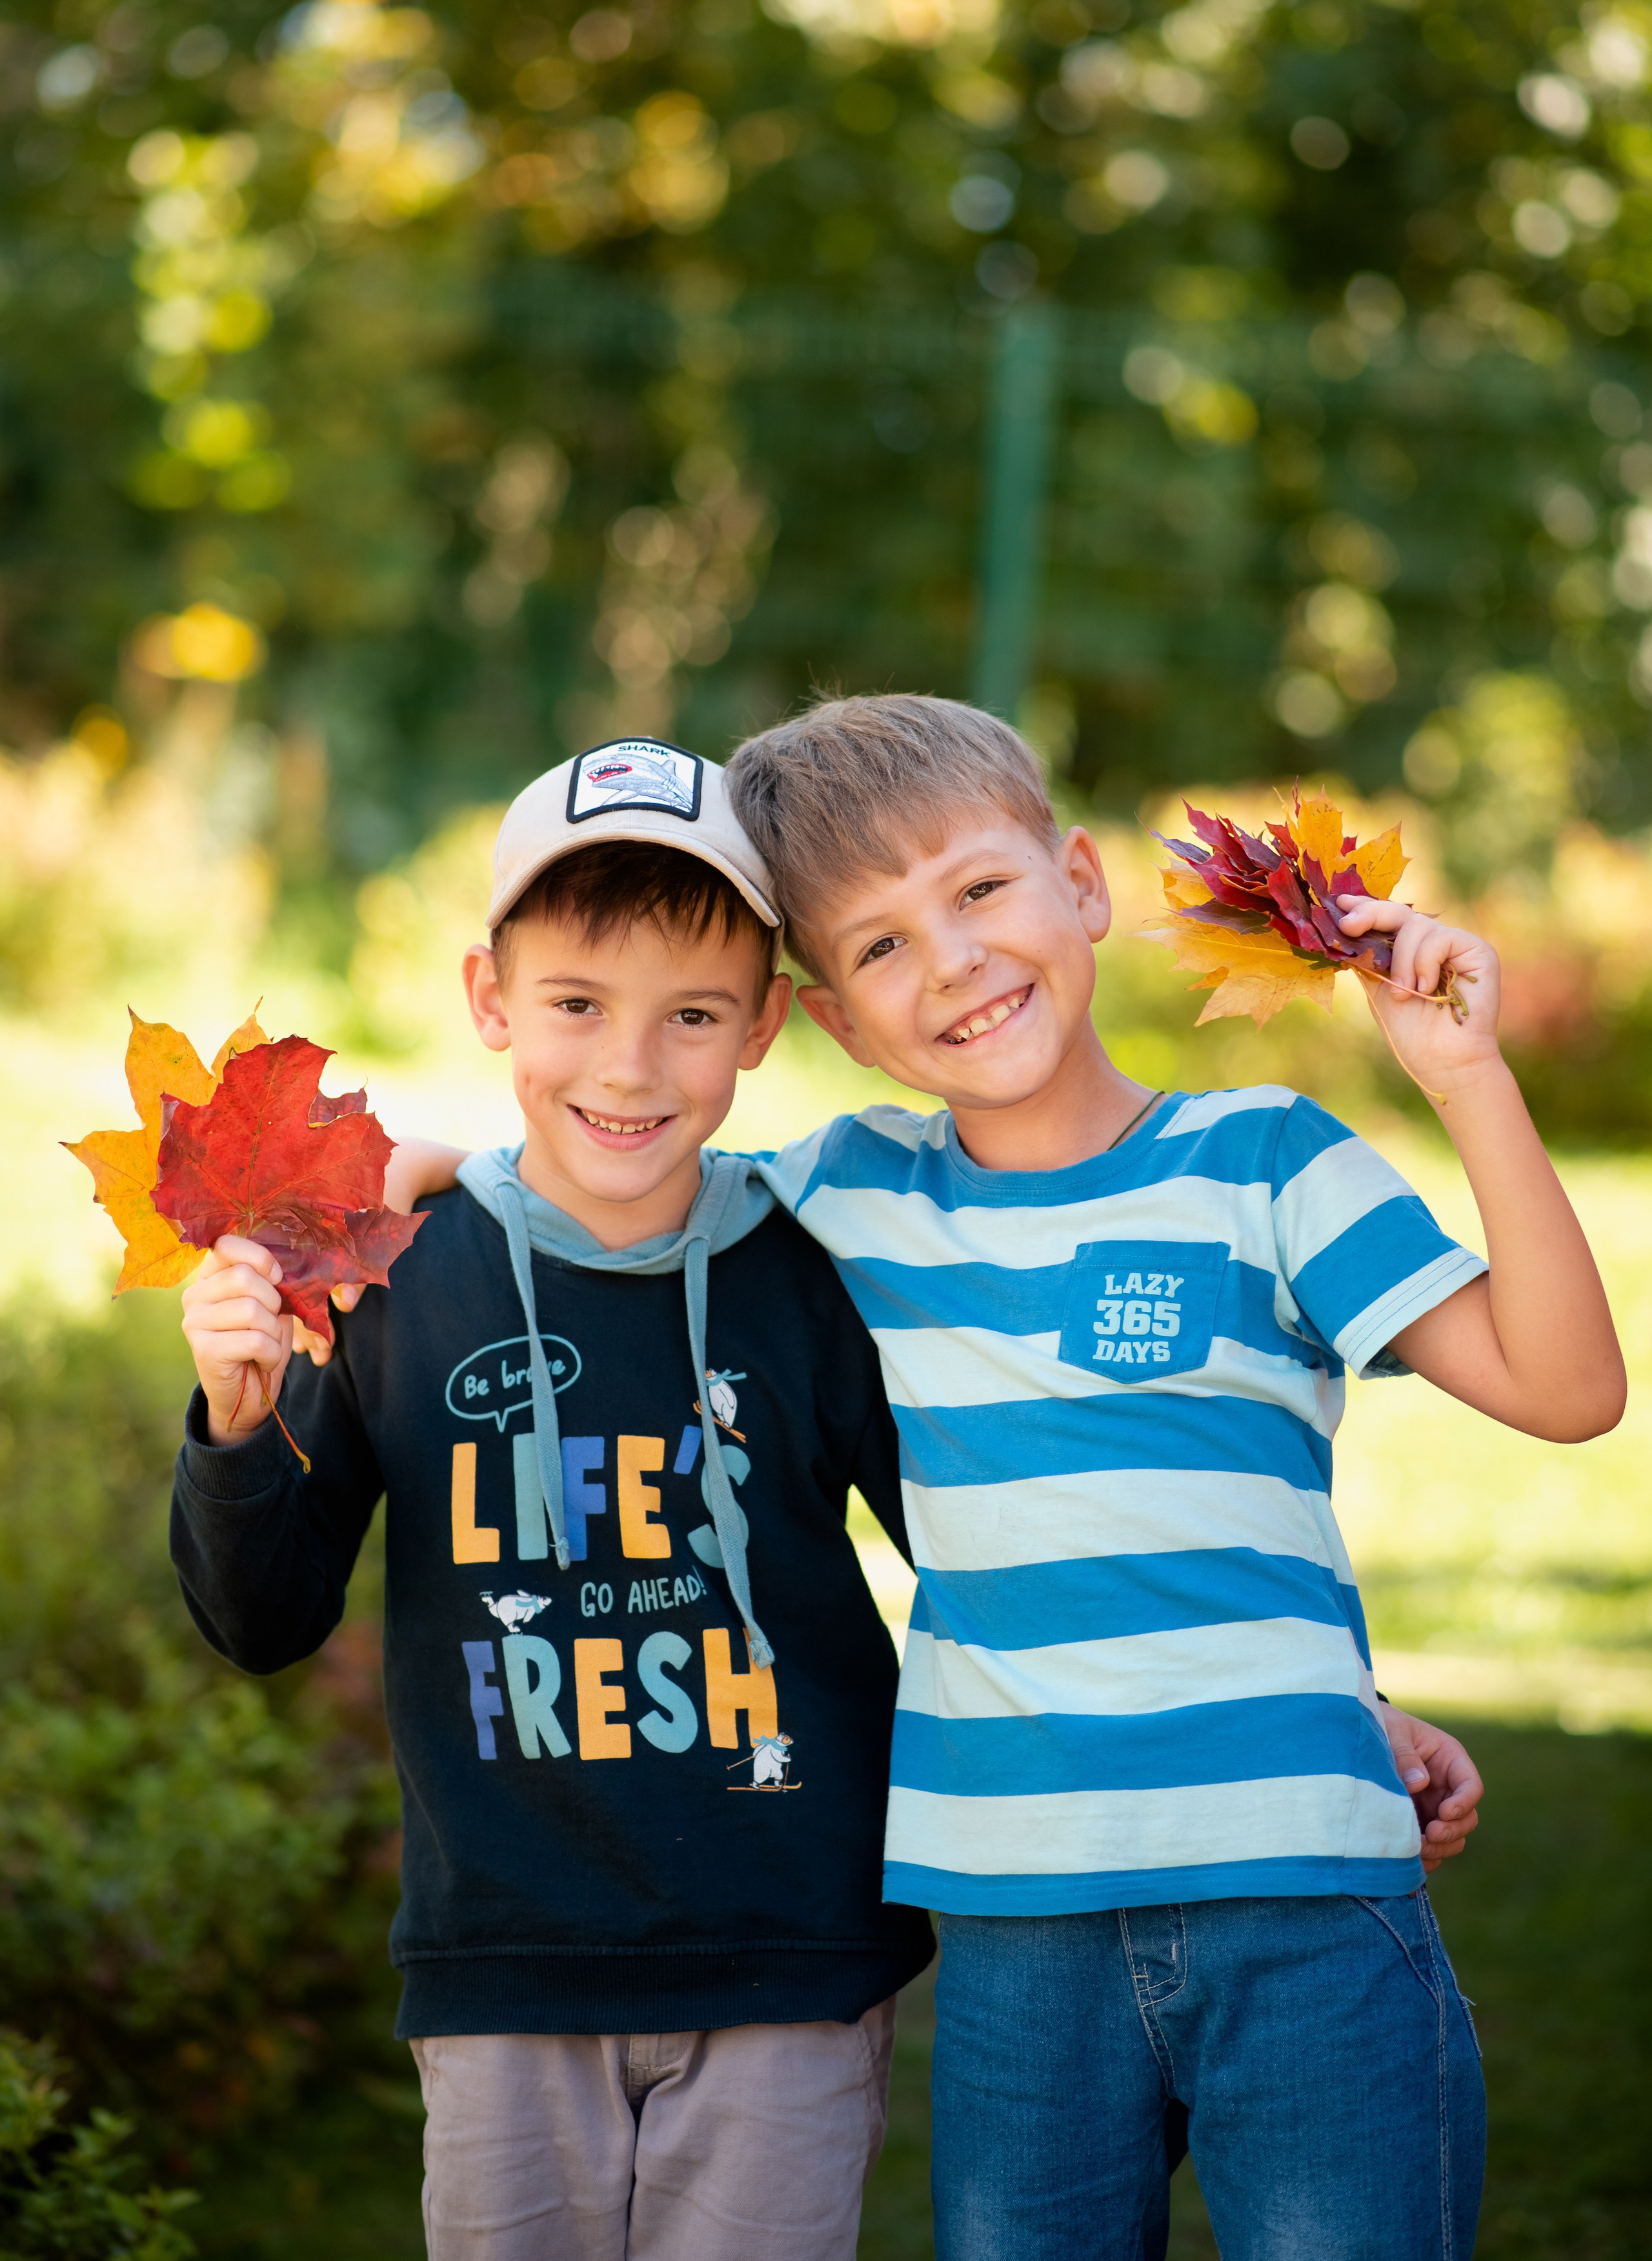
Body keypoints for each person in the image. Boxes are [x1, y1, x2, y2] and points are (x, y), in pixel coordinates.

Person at [370, 712, 1519, 2260]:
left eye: (981, 896)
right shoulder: (852, 1190)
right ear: (832, 1016)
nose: (956, 963)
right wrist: (425, 1172)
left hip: (1287, 1885)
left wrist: (1462, 1074)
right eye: (885, 945)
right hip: (1008, 1914)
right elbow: (609, 1165)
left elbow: (1555, 1392)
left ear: (1081, 881)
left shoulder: (1225, 1164)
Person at [170, 741, 936, 2261]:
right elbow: (263, 1617)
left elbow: (981, 1550)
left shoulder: (815, 1277)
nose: (628, 1068)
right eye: (576, 1004)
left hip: (787, 1953)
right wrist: (237, 1421)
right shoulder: (397, 1276)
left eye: (692, 1015)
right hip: (505, 1964)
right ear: (488, 997)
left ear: (765, 1024)